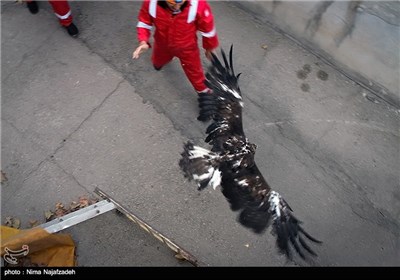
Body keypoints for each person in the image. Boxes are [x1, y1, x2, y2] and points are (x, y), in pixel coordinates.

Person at [132, 0, 219, 94]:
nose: (177, 8)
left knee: (195, 71)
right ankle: (158, 64)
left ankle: (203, 90)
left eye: (180, 3)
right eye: (172, 4)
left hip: (187, 48)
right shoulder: (150, 3)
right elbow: (144, 23)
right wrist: (143, 41)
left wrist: (210, 48)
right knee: (158, 61)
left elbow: (208, 29)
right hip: (162, 45)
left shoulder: (198, 5)